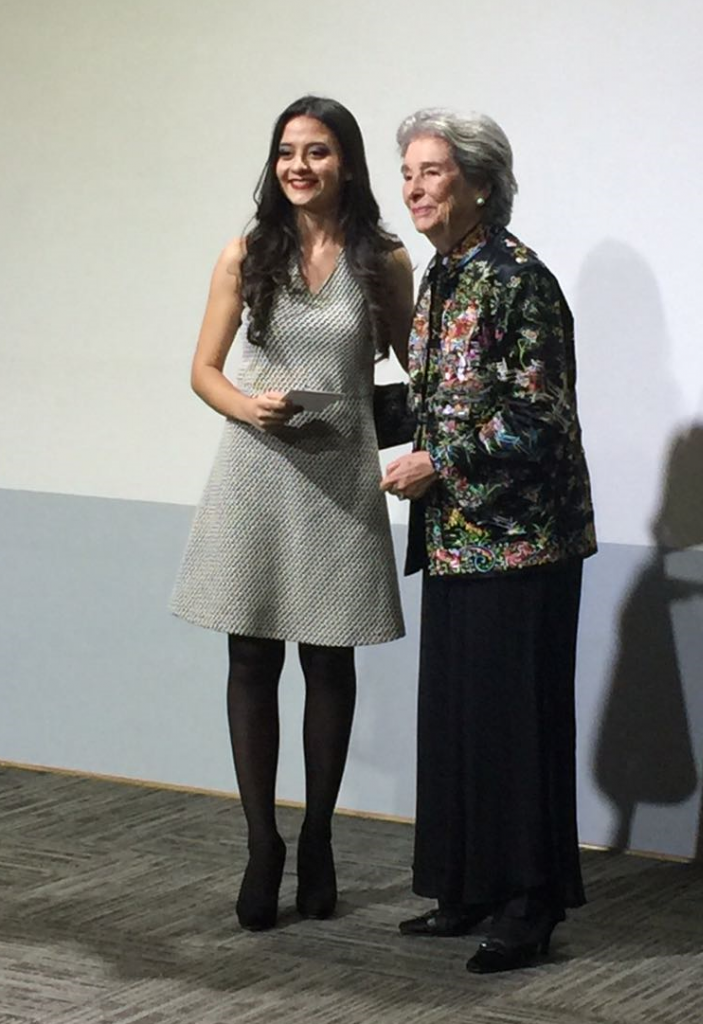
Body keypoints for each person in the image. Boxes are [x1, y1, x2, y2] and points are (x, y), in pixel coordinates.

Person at [171, 96, 413, 932]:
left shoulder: (383, 260)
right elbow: (204, 370)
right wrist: (248, 407)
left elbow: (418, 367)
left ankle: (317, 838)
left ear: (346, 162)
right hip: (256, 471)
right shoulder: (246, 253)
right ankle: (260, 844)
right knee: (250, 657)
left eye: (316, 151)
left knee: (330, 659)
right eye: (286, 152)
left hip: (339, 477)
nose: (298, 166)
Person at [381, 108, 596, 974]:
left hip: (522, 543)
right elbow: (439, 400)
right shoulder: (441, 276)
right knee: (461, 722)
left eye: (431, 171)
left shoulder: (519, 279)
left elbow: (540, 416)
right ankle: (465, 888)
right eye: (407, 171)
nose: (413, 187)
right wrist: (327, 410)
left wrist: (440, 462)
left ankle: (529, 905)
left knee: (516, 730)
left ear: (478, 182)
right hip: (455, 539)